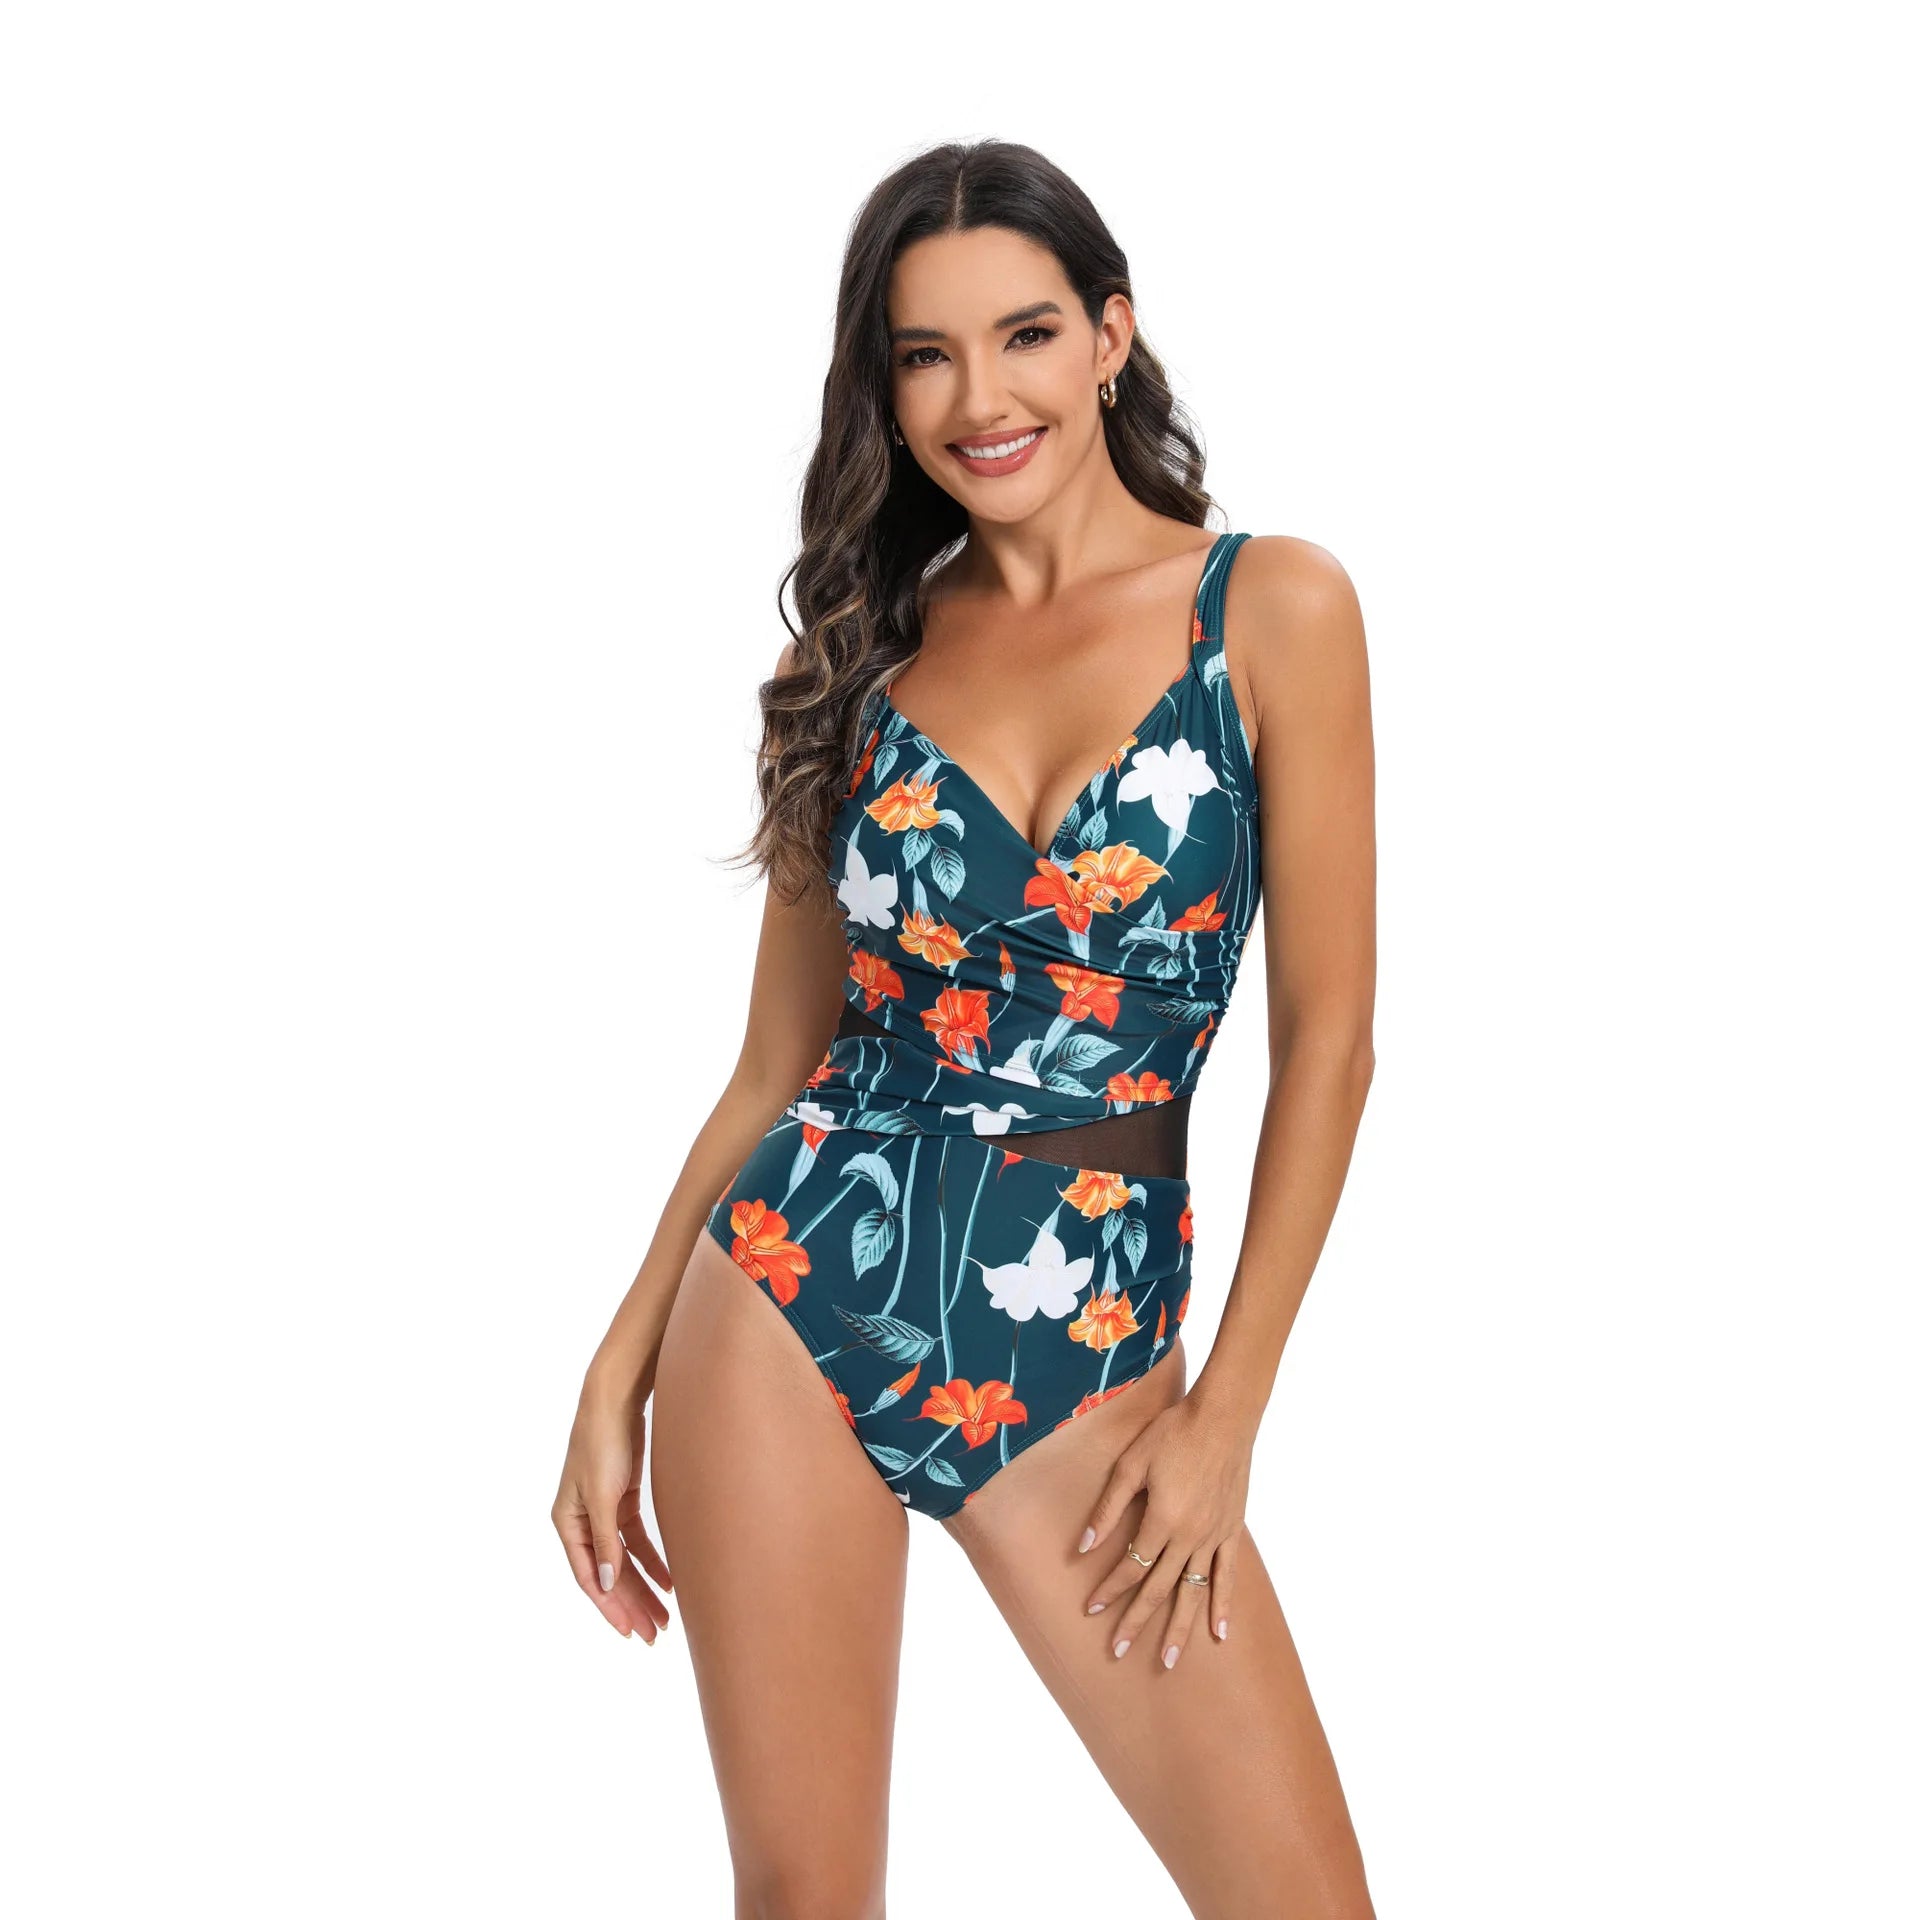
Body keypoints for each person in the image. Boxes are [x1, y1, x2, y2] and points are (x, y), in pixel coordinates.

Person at [552, 138, 1378, 1918]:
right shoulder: (859, 658)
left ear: (1111, 336)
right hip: (791, 1296)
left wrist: (1227, 1415)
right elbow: (776, 1065)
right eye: (925, 355)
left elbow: (1330, 1044)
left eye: (1024, 335)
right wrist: (620, 1363)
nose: (980, 400)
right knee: (804, 1903)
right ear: (885, 386)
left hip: (1080, 1340)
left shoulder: (1274, 610)